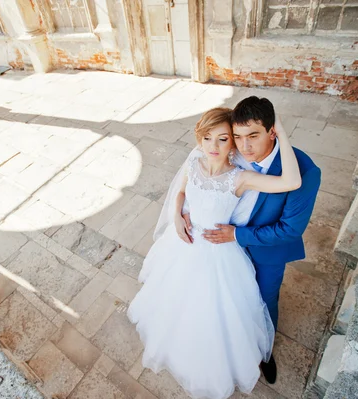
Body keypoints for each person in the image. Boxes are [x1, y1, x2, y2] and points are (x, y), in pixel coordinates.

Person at [127, 107, 301, 399]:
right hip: (185, 244)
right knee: (178, 302)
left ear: (233, 143)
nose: (213, 147)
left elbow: (291, 182)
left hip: (219, 254)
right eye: (208, 138)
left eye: (222, 139)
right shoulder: (195, 161)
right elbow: (181, 192)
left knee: (218, 312)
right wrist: (177, 217)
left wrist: (280, 131)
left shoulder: (240, 178)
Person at [201, 97, 322, 383]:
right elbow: (199, 177)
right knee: (225, 297)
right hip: (222, 246)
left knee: (264, 301)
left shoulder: (304, 171)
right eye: (238, 137)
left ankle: (264, 352)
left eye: (253, 136)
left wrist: (237, 235)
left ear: (272, 131)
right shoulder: (230, 150)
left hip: (265, 251)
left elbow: (289, 230)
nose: (244, 146)